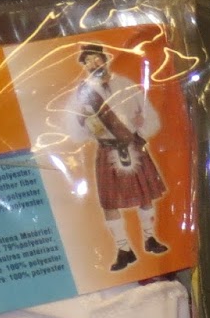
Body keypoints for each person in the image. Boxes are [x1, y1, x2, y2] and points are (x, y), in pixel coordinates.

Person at [65, 42, 170, 272]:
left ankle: (150, 239)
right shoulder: (82, 94)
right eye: (87, 61)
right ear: (84, 66)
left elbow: (150, 115)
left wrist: (140, 133)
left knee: (145, 197)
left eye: (96, 58)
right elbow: (74, 130)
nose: (93, 64)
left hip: (133, 145)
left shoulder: (125, 84)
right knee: (110, 203)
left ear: (105, 59)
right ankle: (124, 250)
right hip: (106, 149)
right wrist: (84, 123)